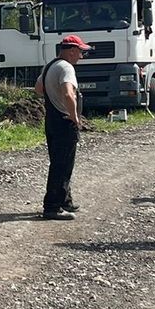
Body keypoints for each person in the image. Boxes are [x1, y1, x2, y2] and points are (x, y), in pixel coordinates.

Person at [35, 34, 90, 220]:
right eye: (80, 52)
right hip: (64, 122)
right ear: (72, 51)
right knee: (62, 165)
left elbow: (38, 89)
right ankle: (52, 207)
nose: (81, 56)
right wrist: (74, 116)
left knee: (59, 161)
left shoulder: (50, 65)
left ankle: (65, 200)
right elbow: (68, 94)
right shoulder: (66, 68)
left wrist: (54, 95)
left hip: (51, 120)